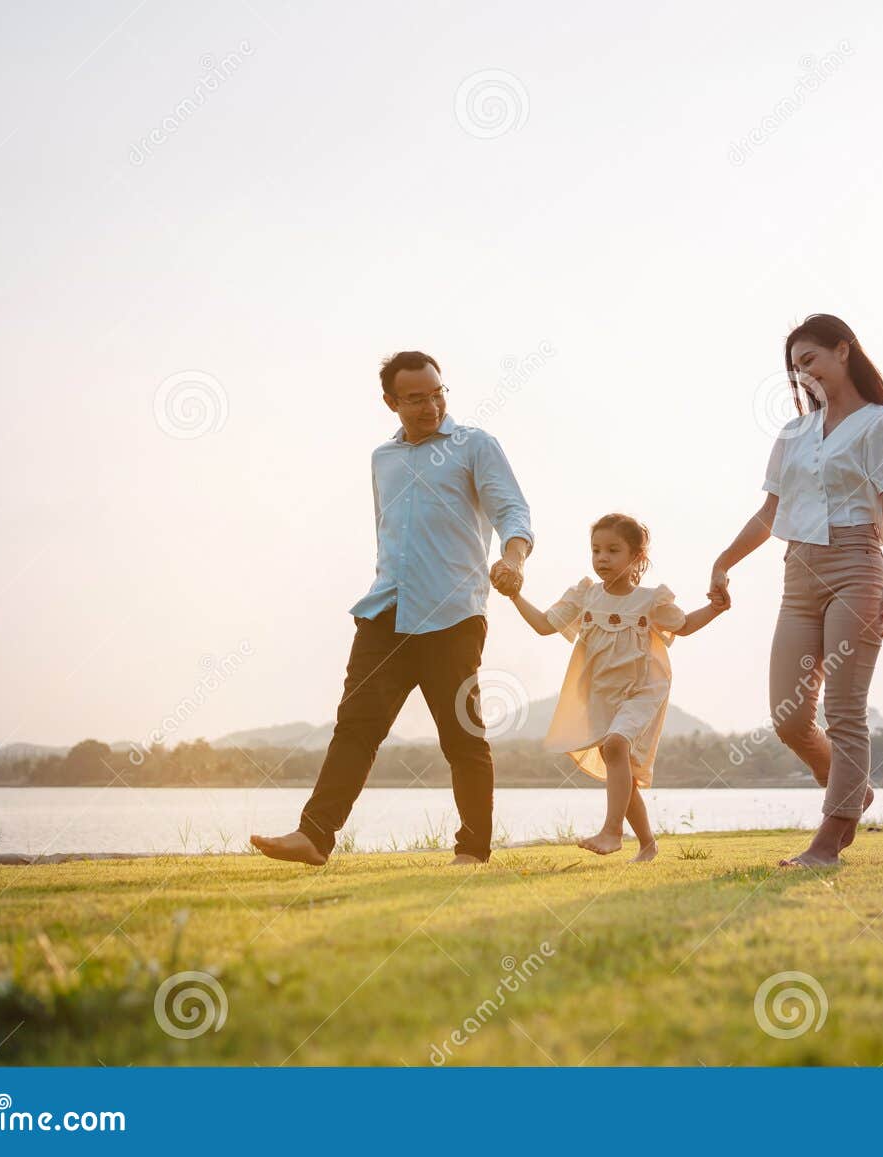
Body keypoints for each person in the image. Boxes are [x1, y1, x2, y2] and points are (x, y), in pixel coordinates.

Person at [251, 350, 533, 867]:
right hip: (386, 611)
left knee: (462, 737)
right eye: (416, 398)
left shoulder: (475, 445)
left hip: (452, 615)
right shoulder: (383, 459)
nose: (431, 406)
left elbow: (512, 509)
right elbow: (389, 532)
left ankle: (472, 851)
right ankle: (314, 837)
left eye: (438, 393)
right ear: (391, 402)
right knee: (355, 726)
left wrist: (512, 556)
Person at [709, 314, 883, 867]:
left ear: (843, 351)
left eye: (810, 361)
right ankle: (852, 791)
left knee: (845, 710)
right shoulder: (793, 434)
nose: (803, 376)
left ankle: (829, 840)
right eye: (795, 369)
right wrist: (723, 562)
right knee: (789, 715)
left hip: (857, 564)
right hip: (798, 572)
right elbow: (770, 513)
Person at [505, 513, 725, 861]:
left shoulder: (650, 600)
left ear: (637, 557)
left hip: (643, 690)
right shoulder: (585, 596)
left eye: (612, 550)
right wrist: (515, 596)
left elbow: (683, 625)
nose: (602, 558)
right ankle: (648, 844)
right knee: (619, 764)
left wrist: (715, 609)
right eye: (595, 550)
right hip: (603, 697)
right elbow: (545, 625)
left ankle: (612, 831)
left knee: (616, 744)